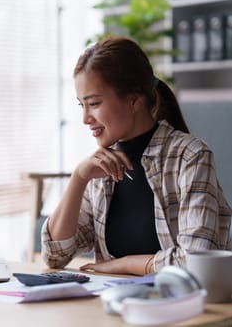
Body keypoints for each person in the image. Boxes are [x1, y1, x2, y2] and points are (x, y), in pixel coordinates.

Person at [41, 37, 231, 275]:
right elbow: (55, 256)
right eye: (82, 105)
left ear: (133, 100)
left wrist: (123, 264)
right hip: (113, 305)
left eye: (95, 103)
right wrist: (79, 178)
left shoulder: (190, 156)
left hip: (183, 307)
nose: (85, 118)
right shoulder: (101, 169)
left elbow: (197, 263)